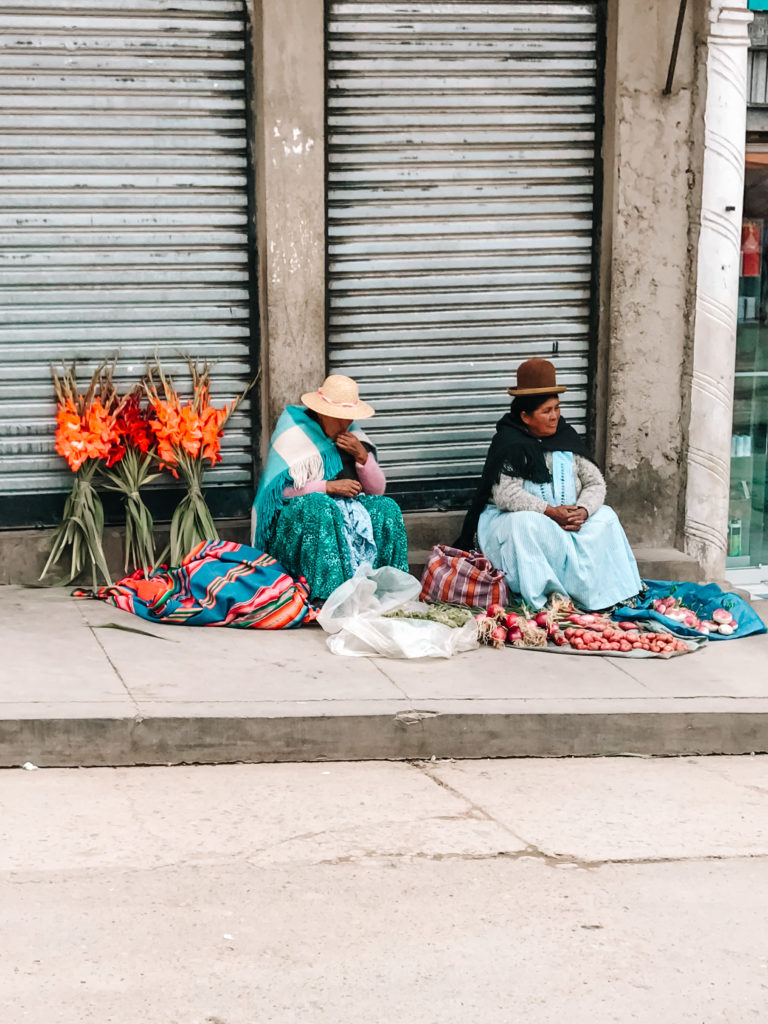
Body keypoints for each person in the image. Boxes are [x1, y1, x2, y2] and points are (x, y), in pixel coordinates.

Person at [455, 358, 641, 611]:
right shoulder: (510, 443)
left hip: (569, 520)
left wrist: (582, 511)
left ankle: (608, 592)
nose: (555, 417)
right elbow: (506, 495)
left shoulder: (566, 437)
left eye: (557, 408)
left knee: (606, 517)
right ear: (525, 416)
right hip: (528, 520)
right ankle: (546, 599)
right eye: (546, 411)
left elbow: (595, 483)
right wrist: (550, 512)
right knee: (524, 525)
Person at [251, 374, 408, 600]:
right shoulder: (294, 430)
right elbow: (280, 493)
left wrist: (362, 457)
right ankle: (330, 596)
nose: (346, 424)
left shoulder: (353, 435)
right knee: (320, 506)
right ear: (323, 412)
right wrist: (329, 487)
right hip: (297, 522)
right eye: (339, 418)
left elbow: (377, 490)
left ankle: (387, 590)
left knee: (386, 507)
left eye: (349, 418)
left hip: (346, 515)